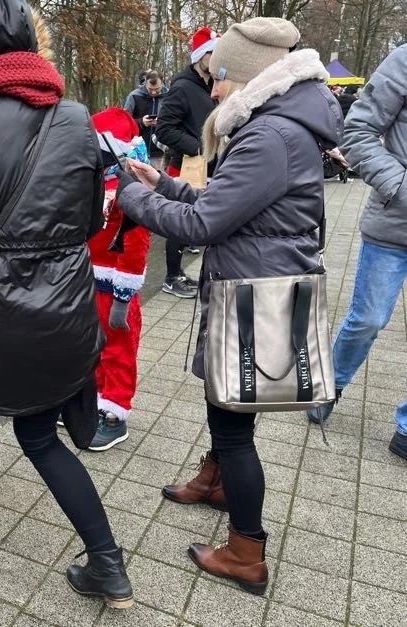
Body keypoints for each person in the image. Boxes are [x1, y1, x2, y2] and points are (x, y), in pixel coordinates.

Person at [115, 18, 342, 595]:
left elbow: (205, 222)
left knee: (232, 425)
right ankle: (215, 483)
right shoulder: (281, 124)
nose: (212, 91)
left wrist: (134, 197)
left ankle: (246, 550)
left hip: (256, 293)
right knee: (229, 411)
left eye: (220, 79)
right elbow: (229, 202)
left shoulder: (270, 136)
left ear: (249, 77)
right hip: (259, 282)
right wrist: (162, 184)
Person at [0, 0, 133, 609]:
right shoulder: (74, 117)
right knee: (41, 438)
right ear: (29, 43)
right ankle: (108, 566)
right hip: (64, 308)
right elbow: (94, 214)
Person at [308, 45, 407, 460]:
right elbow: (358, 132)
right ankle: (329, 384)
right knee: (367, 318)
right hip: (394, 223)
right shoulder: (403, 60)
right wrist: (400, 187)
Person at [85, 107, 150, 451]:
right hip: (91, 281)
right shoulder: (94, 179)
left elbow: (136, 243)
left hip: (117, 287)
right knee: (95, 346)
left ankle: (115, 413)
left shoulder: (131, 186)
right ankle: (96, 400)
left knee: (119, 348)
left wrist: (124, 295)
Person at [155, 26, 220, 299]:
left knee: (195, 221)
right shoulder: (182, 87)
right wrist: (198, 146)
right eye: (212, 53)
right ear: (200, 56)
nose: (217, 58)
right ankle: (171, 276)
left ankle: (180, 273)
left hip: (207, 166)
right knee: (180, 223)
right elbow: (164, 129)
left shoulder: (210, 85)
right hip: (185, 165)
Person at [124, 70, 168, 169]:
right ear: (145, 82)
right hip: (137, 152)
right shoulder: (134, 96)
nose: (153, 92)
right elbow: (124, 122)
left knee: (158, 183)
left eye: (157, 89)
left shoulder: (170, 97)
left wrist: (161, 122)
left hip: (160, 153)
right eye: (150, 89)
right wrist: (141, 122)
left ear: (162, 82)